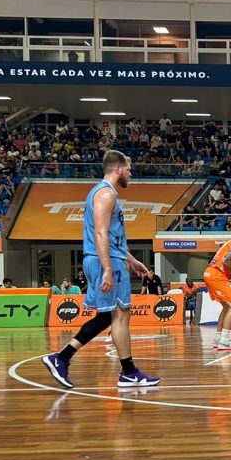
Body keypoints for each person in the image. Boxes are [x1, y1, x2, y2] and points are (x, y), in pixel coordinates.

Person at [43, 150, 159, 388]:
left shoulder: (103, 193)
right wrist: (108, 268)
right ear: (117, 168)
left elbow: (111, 238)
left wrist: (131, 260)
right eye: (128, 168)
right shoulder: (106, 194)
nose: (130, 173)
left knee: (107, 316)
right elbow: (100, 233)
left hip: (109, 259)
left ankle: (61, 358)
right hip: (104, 261)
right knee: (120, 316)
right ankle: (128, 373)